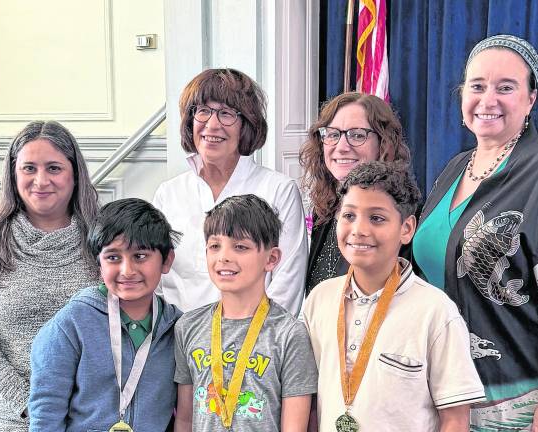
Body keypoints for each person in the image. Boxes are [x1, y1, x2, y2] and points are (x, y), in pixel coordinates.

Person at [412, 34, 538, 431]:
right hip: (447, 392)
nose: (488, 100)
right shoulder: (454, 169)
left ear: (531, 99)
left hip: (521, 402)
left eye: (506, 87)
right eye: (477, 86)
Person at [303, 161, 484, 432]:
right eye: (349, 216)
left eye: (376, 218)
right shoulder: (319, 299)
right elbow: (309, 402)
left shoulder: (435, 311)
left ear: (407, 228)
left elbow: (455, 420)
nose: (359, 230)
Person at [0, 120, 99, 431]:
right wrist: (28, 403)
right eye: (29, 168)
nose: (41, 180)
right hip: (10, 416)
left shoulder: (102, 237)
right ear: (13, 174)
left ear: (75, 174)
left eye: (54, 168)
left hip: (87, 416)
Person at [153, 68, 308, 315]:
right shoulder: (168, 193)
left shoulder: (279, 190)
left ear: (247, 125)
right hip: (178, 342)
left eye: (226, 114)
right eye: (202, 111)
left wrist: (252, 345)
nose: (212, 126)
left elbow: (287, 285)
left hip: (254, 346)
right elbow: (157, 281)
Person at [29, 198, 183, 431]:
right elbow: (46, 411)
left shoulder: (178, 328)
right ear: (98, 263)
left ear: (166, 260)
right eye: (113, 257)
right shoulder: (72, 324)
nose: (127, 270)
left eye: (140, 255)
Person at [173, 194, 317, 432]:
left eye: (240, 247)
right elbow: (185, 419)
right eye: (215, 246)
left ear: (271, 259)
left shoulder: (289, 334)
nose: (224, 257)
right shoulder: (187, 326)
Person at [299, 92, 411, 294]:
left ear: (383, 143)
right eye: (333, 134)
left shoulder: (400, 212)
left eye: (357, 135)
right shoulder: (324, 210)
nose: (341, 147)